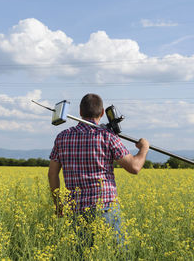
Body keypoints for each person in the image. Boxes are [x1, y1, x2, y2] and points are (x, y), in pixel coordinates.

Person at [48, 93, 149, 248]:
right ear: (102, 113)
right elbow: (135, 167)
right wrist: (144, 149)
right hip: (105, 208)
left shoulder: (62, 137)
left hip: (76, 210)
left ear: (80, 112)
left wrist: (58, 205)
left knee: (82, 256)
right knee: (117, 256)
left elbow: (52, 174)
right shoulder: (107, 136)